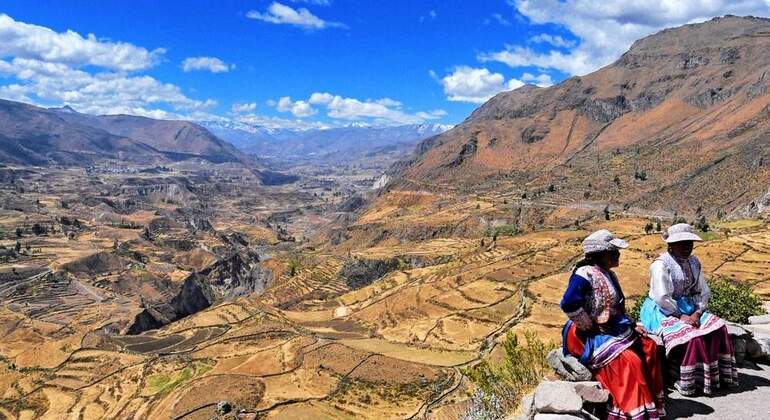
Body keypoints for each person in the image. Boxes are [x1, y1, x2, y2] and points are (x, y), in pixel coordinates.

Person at [561, 230, 665, 420]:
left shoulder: (609, 275)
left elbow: (617, 306)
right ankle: (630, 412)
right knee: (629, 361)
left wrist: (632, 325)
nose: (618, 255)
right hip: (585, 334)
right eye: (613, 252)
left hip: (611, 327)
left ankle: (651, 404)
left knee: (649, 347)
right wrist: (589, 325)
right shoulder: (584, 275)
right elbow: (568, 303)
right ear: (600, 255)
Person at [640, 223, 738, 396]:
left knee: (719, 327)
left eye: (689, 242)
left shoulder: (694, 262)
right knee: (691, 335)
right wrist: (681, 315)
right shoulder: (661, 265)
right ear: (670, 245)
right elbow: (661, 297)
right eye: (681, 243)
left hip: (690, 308)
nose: (687, 247)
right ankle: (684, 379)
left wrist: (697, 312)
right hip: (662, 310)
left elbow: (702, 290)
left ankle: (714, 377)